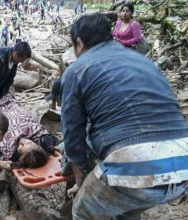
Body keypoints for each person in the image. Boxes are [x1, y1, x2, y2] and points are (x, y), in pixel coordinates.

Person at [61, 13, 188, 219]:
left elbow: (73, 135)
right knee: (127, 205)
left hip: (134, 162)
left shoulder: (77, 70)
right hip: (183, 165)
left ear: (79, 43)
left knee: (84, 211)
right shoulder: (143, 61)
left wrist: (79, 180)